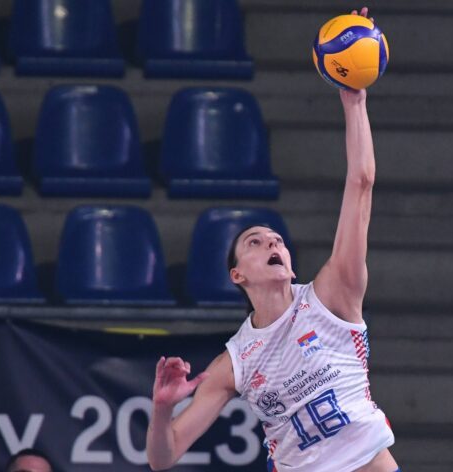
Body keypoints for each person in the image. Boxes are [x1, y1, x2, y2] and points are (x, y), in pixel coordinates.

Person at [146, 7, 399, 471]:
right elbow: (163, 458)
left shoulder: (332, 296)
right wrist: (163, 410)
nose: (272, 245)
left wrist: (354, 101)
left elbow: (361, 183)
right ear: (237, 275)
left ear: (291, 263)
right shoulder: (237, 360)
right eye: (255, 242)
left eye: (277, 240)